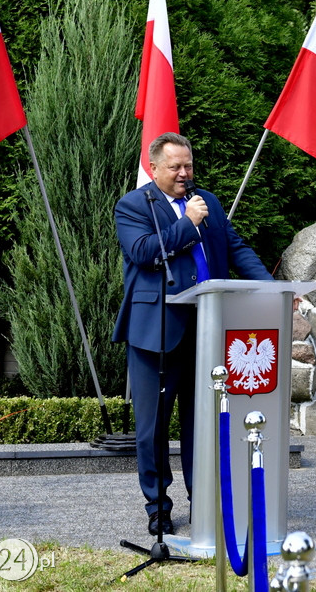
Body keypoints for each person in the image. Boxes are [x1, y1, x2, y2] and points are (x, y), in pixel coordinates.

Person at [113, 132, 273, 535]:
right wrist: (188, 223)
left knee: (204, 422)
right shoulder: (134, 206)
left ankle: (204, 502)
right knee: (152, 428)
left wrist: (273, 289)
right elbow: (145, 253)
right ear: (154, 168)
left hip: (209, 329)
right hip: (156, 334)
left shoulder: (208, 202)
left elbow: (234, 249)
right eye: (175, 167)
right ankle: (158, 507)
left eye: (188, 165)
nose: (184, 174)